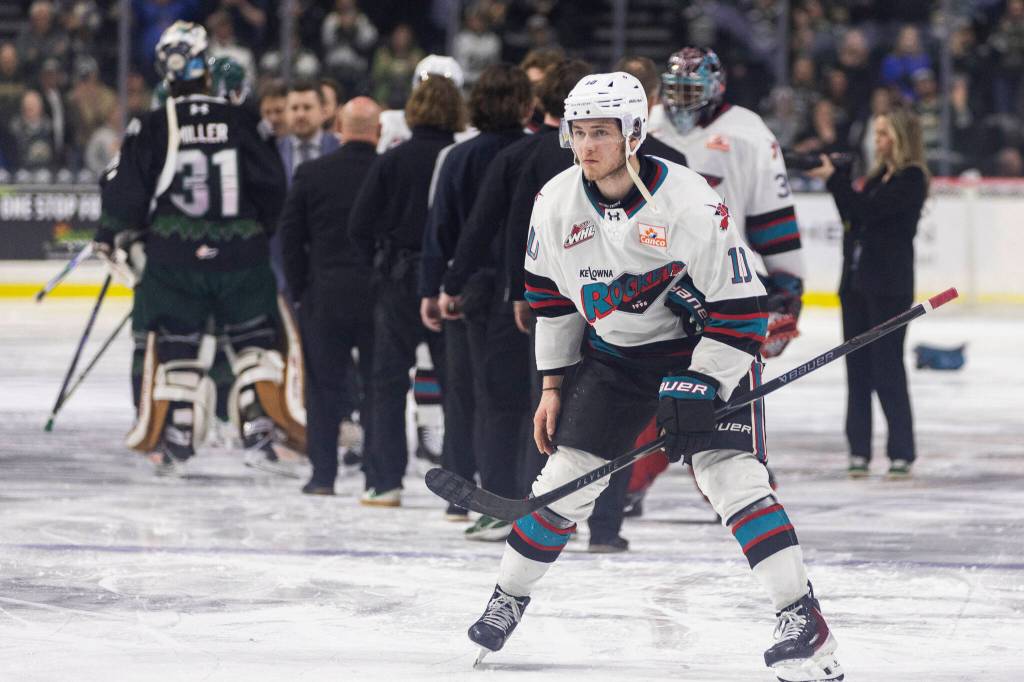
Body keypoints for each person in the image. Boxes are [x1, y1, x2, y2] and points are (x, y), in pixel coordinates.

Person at [465, 72, 843, 682]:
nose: (585, 146)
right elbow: (552, 301)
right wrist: (554, 386)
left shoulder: (691, 203)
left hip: (704, 348)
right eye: (577, 132)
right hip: (617, 359)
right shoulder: (555, 202)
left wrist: (705, 380)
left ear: (634, 134)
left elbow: (743, 311)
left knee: (732, 479)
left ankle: (802, 616)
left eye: (600, 134)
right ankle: (507, 597)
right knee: (565, 479)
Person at [93, 21, 295, 477]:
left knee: (180, 347)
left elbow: (124, 195)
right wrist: (255, 230)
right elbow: (273, 189)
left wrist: (112, 233)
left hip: (175, 255)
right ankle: (260, 433)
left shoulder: (151, 122)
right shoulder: (244, 119)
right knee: (252, 346)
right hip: (241, 253)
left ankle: (178, 438)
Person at [417, 63, 534, 533]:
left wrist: (434, 288)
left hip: (474, 291)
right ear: (527, 105)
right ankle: (520, 495)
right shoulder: (539, 152)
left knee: (474, 397)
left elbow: (440, 227)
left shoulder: (459, 156)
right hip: (534, 288)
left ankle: (475, 496)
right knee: (528, 397)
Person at [348, 75, 466, 507]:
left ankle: (385, 482)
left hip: (398, 281)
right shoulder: (464, 157)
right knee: (457, 385)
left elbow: (359, 225)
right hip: (452, 284)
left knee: (387, 383)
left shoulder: (392, 160)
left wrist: (380, 265)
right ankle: (461, 491)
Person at [806, 106, 928, 479]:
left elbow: (869, 213)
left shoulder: (911, 178)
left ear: (902, 138)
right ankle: (858, 448)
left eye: (884, 135)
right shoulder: (876, 179)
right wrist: (839, 179)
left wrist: (835, 180)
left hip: (889, 287)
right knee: (857, 369)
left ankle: (901, 451)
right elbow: (854, 215)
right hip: (856, 285)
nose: (878, 143)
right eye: (876, 135)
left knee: (886, 366)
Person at [280, 96, 382, 496]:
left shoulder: (312, 172)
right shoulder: (384, 170)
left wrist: (302, 288)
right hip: (377, 296)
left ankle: (323, 476)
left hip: (324, 295)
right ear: (377, 131)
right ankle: (379, 475)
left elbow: (290, 238)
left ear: (338, 128)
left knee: (322, 388)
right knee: (379, 387)